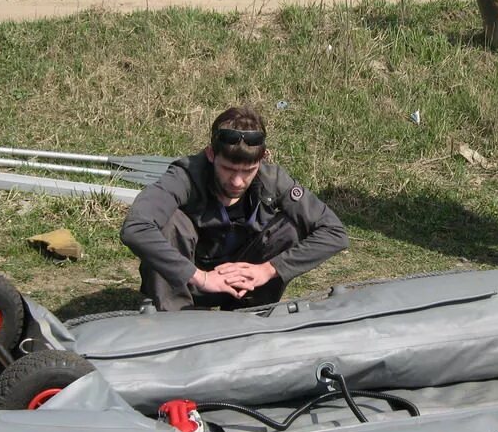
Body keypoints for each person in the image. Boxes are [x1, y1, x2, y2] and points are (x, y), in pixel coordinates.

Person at [120, 106, 348, 310]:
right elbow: (135, 227)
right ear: (211, 154)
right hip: (191, 281)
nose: (237, 181)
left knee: (289, 228)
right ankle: (176, 318)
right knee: (170, 223)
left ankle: (252, 314)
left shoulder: (273, 180)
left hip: (247, 283)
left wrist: (269, 269)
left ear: (263, 159)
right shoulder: (184, 176)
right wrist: (199, 277)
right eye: (228, 169)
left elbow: (334, 232)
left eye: (248, 171)